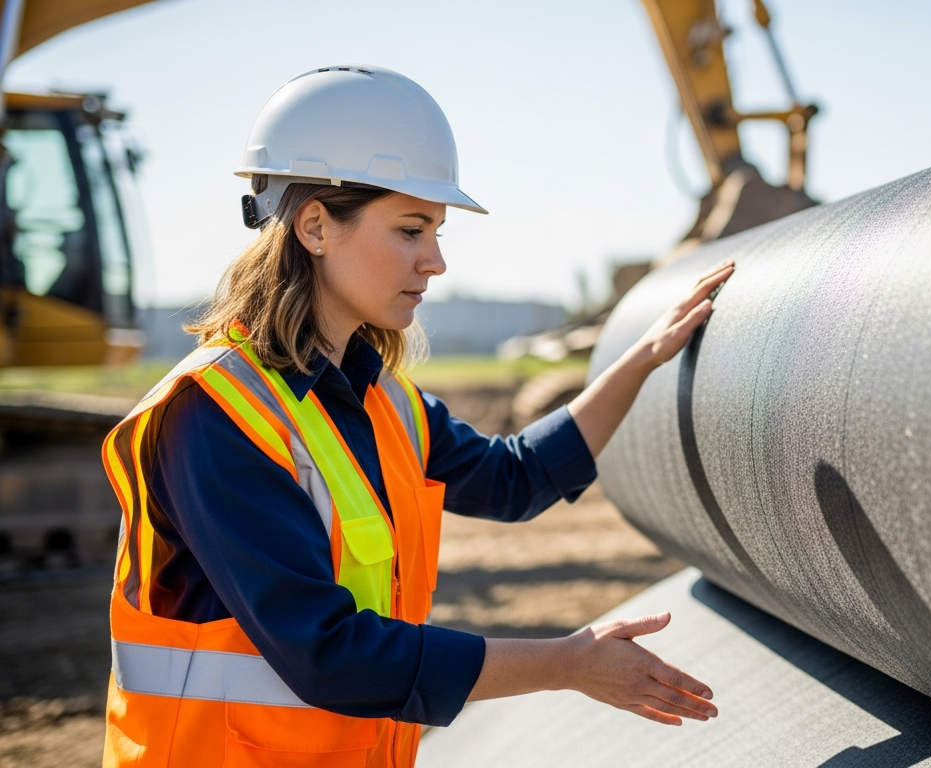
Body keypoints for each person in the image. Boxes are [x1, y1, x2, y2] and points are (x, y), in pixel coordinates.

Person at [101, 65, 733, 768]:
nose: (434, 261)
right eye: (410, 229)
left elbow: (514, 479)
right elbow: (331, 653)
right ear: (315, 226)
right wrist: (567, 663)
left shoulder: (385, 402)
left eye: (434, 230)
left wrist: (642, 355)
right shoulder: (215, 417)